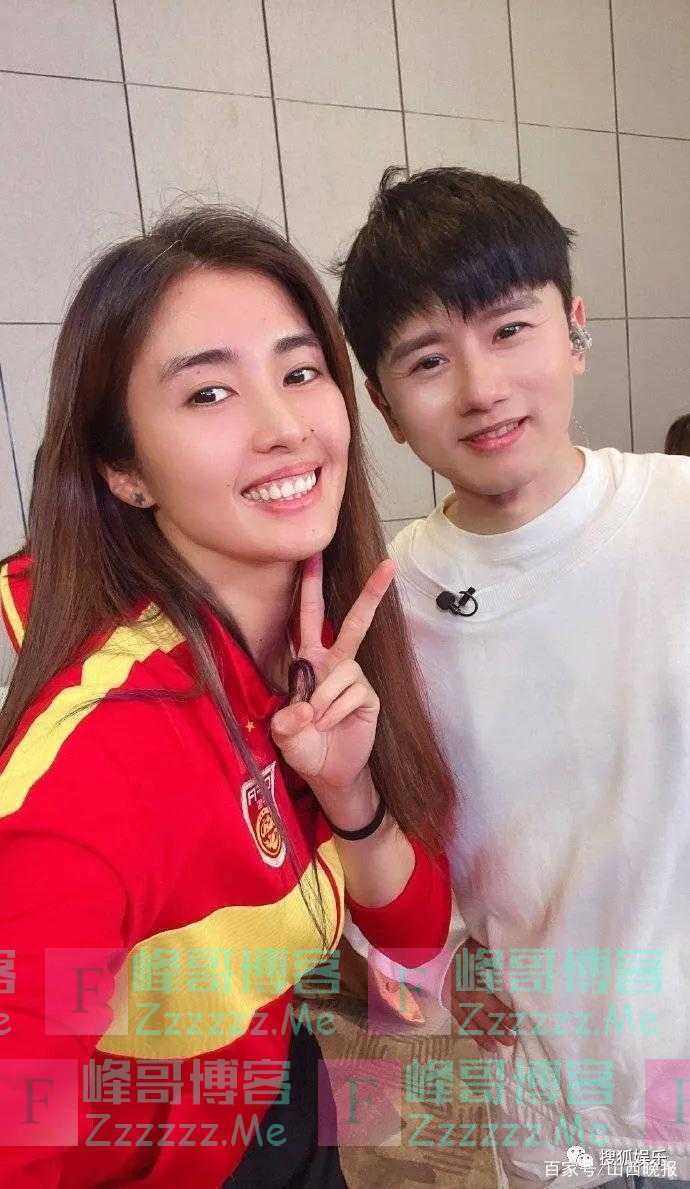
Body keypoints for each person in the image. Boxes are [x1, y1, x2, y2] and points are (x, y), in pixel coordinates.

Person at [0, 204, 456, 1186]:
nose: (285, 427)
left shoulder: (322, 645)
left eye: (300, 372)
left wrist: (348, 792)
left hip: (274, 1092)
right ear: (124, 470)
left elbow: (415, 949)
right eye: (209, 392)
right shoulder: (91, 772)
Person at [336, 166, 690, 1189]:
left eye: (509, 329)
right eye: (428, 359)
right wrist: (442, 984)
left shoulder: (676, 518)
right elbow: (395, 877)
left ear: (575, 329)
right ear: (384, 405)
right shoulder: (385, 608)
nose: (482, 387)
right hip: (557, 1115)